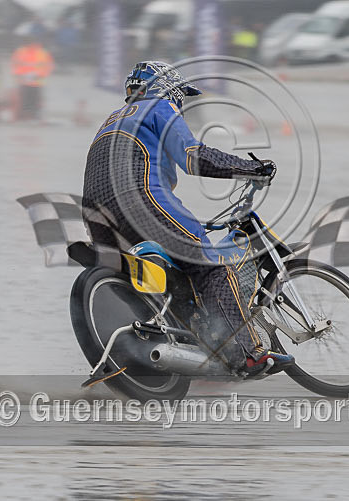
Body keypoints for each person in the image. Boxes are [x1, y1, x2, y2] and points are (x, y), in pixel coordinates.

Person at [81, 61, 294, 375]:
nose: (180, 102)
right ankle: (249, 354)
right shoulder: (158, 106)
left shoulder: (112, 121)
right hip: (140, 201)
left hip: (96, 217)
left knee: (179, 268)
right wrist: (251, 168)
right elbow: (193, 156)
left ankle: (187, 340)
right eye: (179, 94)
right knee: (212, 266)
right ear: (165, 88)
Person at [10, 36, 54, 120]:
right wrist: (19, 74)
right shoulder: (21, 51)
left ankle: (33, 116)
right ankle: (26, 116)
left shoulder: (42, 52)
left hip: (35, 81)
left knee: (33, 100)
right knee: (26, 100)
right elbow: (15, 64)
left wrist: (41, 75)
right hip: (26, 81)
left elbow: (49, 66)